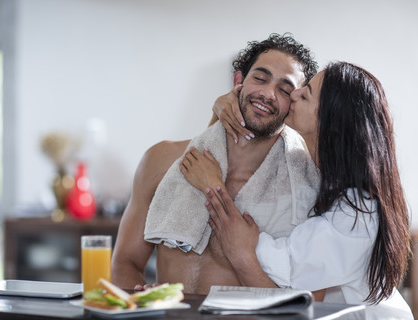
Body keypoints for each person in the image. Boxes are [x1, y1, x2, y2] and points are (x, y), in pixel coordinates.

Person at [180, 61, 413, 318]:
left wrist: (213, 187)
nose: (293, 95)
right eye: (259, 79)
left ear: (330, 120)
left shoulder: (358, 213)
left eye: (305, 93)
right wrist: (217, 111)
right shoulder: (320, 176)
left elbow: (284, 269)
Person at [111, 33, 321, 295]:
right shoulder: (160, 160)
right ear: (238, 81)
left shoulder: (305, 185)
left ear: (294, 104)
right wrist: (144, 302)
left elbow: (310, 297)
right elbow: (125, 262)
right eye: (260, 78)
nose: (268, 93)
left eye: (285, 89)